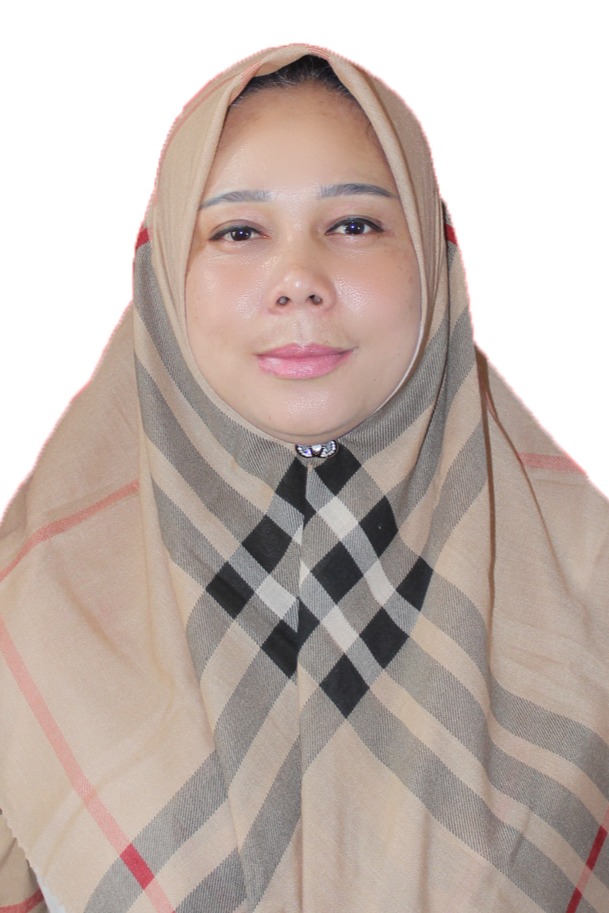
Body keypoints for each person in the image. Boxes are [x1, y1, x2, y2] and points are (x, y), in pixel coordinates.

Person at [1, 44, 607, 913]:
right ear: (163, 275)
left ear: (433, 257)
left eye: (353, 225)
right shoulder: (30, 612)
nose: (298, 281)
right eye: (238, 232)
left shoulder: (588, 588)